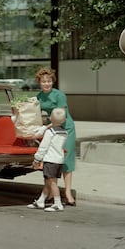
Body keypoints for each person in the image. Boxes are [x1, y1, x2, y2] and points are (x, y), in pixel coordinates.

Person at [35, 67, 77, 206]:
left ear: (52, 82)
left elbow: (61, 115)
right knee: (52, 160)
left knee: (66, 161)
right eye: (43, 81)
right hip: (53, 128)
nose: (46, 84)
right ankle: (50, 192)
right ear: (39, 82)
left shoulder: (59, 95)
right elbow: (34, 114)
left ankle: (68, 192)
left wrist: (47, 127)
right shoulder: (39, 97)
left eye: (49, 81)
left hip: (65, 128)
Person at [27, 107, 68, 211]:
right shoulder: (64, 132)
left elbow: (43, 147)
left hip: (50, 160)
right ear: (64, 120)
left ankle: (57, 203)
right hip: (59, 160)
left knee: (52, 183)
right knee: (48, 182)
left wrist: (36, 159)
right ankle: (41, 201)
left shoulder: (50, 132)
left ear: (50, 118)